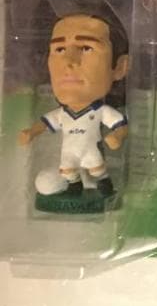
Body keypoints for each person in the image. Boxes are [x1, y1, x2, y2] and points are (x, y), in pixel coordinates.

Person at [18, 13, 129, 199]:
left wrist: (117, 136)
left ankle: (105, 187)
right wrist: (31, 132)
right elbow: (45, 123)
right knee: (68, 170)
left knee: (97, 169)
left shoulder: (99, 111)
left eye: (86, 48)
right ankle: (74, 189)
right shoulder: (63, 113)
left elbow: (120, 125)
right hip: (69, 152)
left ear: (120, 67)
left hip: (91, 150)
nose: (69, 61)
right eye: (60, 49)